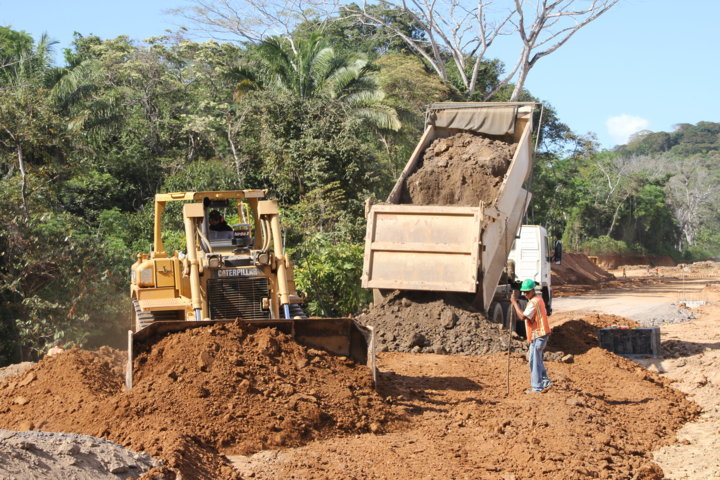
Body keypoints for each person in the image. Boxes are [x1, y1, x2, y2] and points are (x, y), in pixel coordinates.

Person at [510, 279, 552, 393]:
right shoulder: (538, 299)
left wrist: (514, 303)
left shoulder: (534, 302)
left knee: (534, 361)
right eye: (524, 292)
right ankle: (545, 381)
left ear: (533, 290)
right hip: (539, 334)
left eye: (527, 292)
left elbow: (523, 317)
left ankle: (537, 387)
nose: (525, 294)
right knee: (536, 360)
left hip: (539, 334)